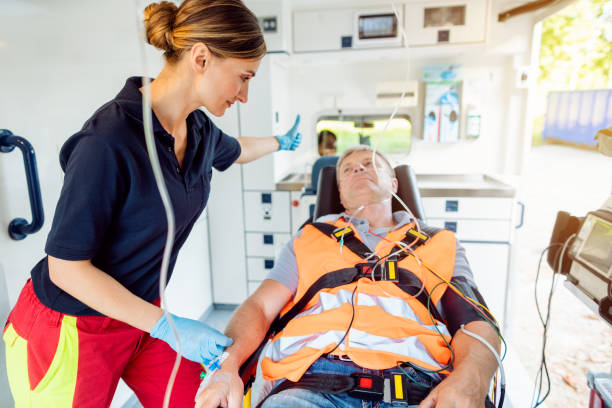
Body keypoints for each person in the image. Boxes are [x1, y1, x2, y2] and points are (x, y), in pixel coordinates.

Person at [2, 1, 301, 407]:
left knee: (204, 399)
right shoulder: (108, 141)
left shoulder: (197, 129)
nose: (245, 95)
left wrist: (280, 143)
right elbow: (66, 268)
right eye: (243, 78)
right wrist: (166, 326)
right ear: (201, 57)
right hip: (71, 326)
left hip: (140, 316)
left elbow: (237, 150)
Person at [196, 145, 501, 408]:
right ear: (339, 193)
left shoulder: (439, 243)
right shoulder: (309, 239)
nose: (358, 168)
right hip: (310, 383)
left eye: (370, 163)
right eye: (347, 169)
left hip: (420, 387)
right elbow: (260, 308)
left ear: (394, 184)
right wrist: (227, 366)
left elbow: (475, 321)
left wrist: (471, 378)